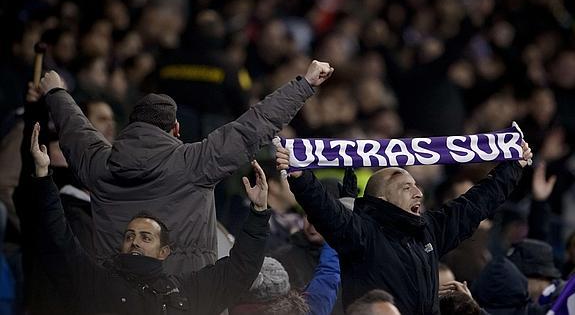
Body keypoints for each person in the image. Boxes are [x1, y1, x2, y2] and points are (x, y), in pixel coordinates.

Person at [36, 59, 333, 273]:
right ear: (176, 128)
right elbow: (251, 128)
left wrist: (56, 94)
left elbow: (76, 133)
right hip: (187, 297)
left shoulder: (99, 164)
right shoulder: (194, 163)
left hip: (116, 296)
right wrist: (304, 85)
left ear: (132, 126)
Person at [25, 122, 272, 315]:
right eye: (129, 236)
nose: (135, 242)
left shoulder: (185, 291)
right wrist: (43, 176)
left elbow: (240, 269)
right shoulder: (96, 283)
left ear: (164, 252)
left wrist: (259, 212)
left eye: (146, 237)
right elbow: (58, 242)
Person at [276, 140, 533, 314]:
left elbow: (475, 204)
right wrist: (300, 176)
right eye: (406, 186)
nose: (418, 193)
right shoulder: (362, 232)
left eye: (417, 186)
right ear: (382, 198)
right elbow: (325, 210)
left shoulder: (429, 229)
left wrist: (513, 167)